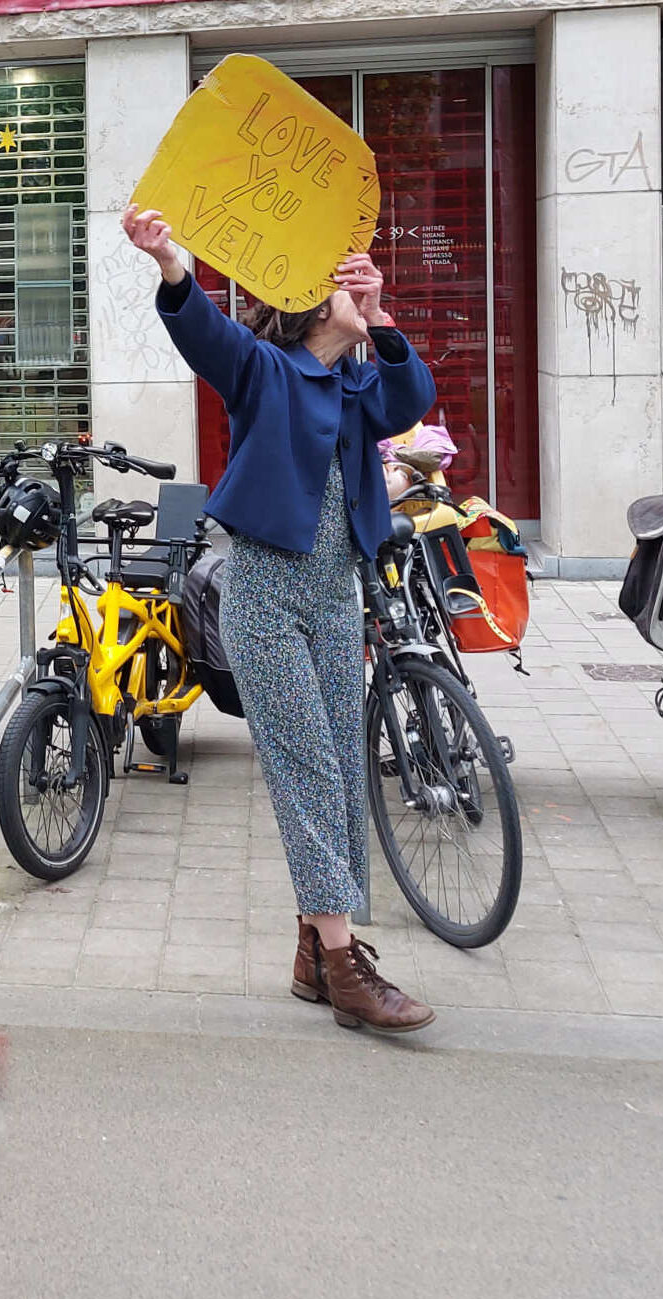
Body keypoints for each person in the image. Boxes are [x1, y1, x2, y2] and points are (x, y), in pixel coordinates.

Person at [124, 204, 438, 1036]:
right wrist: (169, 261)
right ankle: (344, 963)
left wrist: (378, 318)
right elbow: (203, 333)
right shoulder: (264, 371)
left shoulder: (355, 382)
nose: (351, 283)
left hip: (337, 598)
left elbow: (413, 396)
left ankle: (310, 952)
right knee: (307, 773)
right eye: (339, 284)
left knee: (342, 767)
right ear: (307, 305)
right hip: (265, 600)